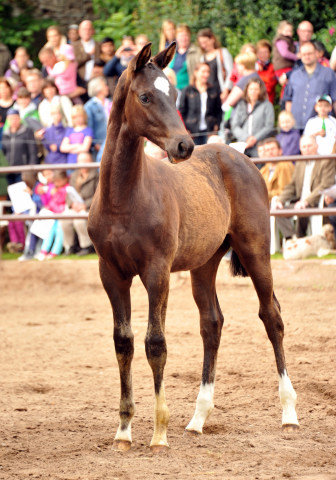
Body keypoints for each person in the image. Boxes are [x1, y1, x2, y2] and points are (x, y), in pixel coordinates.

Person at [273, 135, 336, 239]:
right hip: (299, 202)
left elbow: (325, 185)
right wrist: (280, 200)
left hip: (316, 201)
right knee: (277, 210)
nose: (306, 149)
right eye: (304, 146)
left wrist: (306, 201)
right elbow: (292, 185)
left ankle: (300, 238)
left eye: (309, 146)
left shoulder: (326, 161)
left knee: (302, 209)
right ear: (300, 148)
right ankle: (292, 239)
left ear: (316, 146)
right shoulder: (300, 162)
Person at [283, 41, 336, 132]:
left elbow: (335, 99)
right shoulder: (294, 75)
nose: (307, 56)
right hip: (296, 125)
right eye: (304, 54)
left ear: (316, 53)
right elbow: (288, 100)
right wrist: (288, 121)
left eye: (309, 54)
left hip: (320, 127)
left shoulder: (328, 74)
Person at [60, 152, 98, 256]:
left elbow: (98, 196)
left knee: (79, 220)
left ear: (91, 161)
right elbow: (69, 192)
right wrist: (71, 204)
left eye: (86, 161)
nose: (83, 163)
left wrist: (85, 205)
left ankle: (86, 246)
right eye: (81, 161)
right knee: (64, 218)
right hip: (75, 205)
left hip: (89, 207)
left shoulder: (97, 176)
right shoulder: (74, 175)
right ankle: (69, 246)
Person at [179, 62, 222, 145]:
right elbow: (182, 111)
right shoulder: (187, 90)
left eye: (208, 72)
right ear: (196, 72)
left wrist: (217, 126)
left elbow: (218, 111)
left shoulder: (214, 90)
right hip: (192, 132)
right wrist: (185, 129)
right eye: (203, 72)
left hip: (209, 131)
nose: (206, 74)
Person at [230, 77, 274, 157]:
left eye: (256, 89)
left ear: (261, 91)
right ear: (247, 90)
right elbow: (235, 126)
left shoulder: (267, 105)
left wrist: (254, 139)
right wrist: (246, 137)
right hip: (243, 145)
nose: (253, 92)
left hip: (260, 145)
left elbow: (269, 126)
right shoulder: (241, 105)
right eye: (251, 89)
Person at [36, 170, 69, 260]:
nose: (57, 183)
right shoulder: (55, 189)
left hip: (61, 214)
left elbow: (62, 203)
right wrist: (48, 207)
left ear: (65, 179)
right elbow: (51, 202)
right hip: (54, 215)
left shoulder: (67, 189)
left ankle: (55, 251)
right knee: (49, 230)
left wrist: (51, 207)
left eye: (59, 181)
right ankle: (44, 250)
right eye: (56, 182)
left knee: (59, 230)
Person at [2, 108, 38, 186]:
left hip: (22, 169)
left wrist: (32, 168)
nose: (14, 121)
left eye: (16, 118)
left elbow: (33, 151)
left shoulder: (27, 131)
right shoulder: (5, 134)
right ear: (8, 120)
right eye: (11, 119)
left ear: (19, 119)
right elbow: (3, 152)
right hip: (8, 170)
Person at [221, 51, 260, 122]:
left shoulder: (245, 80)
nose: (236, 67)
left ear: (243, 65)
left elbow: (229, 103)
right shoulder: (256, 77)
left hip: (243, 119)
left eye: (238, 65)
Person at [197, 27, 233, 103]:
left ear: (212, 39)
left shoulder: (223, 53)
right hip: (209, 93)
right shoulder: (202, 58)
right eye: (201, 43)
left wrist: (226, 90)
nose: (203, 45)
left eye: (205, 42)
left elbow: (231, 72)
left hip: (221, 91)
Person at [259, 137, 294, 202]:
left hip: (282, 204)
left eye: (272, 149)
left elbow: (284, 190)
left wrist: (264, 194)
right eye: (267, 150)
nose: (270, 152)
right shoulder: (264, 170)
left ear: (280, 151)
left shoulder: (285, 165)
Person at [169, 24, 200, 93]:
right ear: (176, 37)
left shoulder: (196, 51)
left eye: (186, 35)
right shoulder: (172, 52)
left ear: (189, 37)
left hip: (189, 91)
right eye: (181, 36)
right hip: (172, 91)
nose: (183, 38)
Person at [84, 76, 111, 156]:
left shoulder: (111, 103)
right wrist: (96, 145)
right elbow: (89, 127)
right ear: (98, 89)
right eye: (104, 85)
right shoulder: (89, 106)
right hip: (100, 146)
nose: (107, 87)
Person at [72, 20, 101, 88]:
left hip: (96, 81)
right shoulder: (74, 46)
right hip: (79, 82)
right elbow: (74, 63)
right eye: (84, 29)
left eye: (89, 29)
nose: (87, 32)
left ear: (93, 31)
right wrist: (88, 55)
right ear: (79, 32)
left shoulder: (98, 45)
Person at [256, 39, 277, 104]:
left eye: (265, 52)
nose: (263, 55)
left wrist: (259, 78)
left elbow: (269, 87)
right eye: (260, 52)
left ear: (269, 54)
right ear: (256, 54)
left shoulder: (273, 67)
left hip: (267, 100)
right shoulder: (254, 66)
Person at [0, 77, 14, 148]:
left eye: (5, 87)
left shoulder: (16, 104)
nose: (3, 90)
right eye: (1, 88)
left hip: (13, 136)